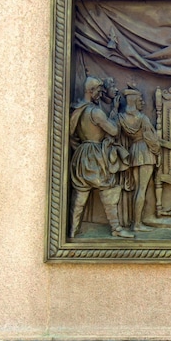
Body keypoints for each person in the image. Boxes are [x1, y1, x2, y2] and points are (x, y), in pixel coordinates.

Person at [68, 76, 132, 238]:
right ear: (90, 91)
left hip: (81, 154)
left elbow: (72, 134)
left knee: (80, 196)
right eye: (98, 91)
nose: (99, 94)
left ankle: (72, 230)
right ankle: (116, 228)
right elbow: (114, 131)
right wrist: (114, 111)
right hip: (96, 155)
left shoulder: (76, 110)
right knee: (107, 190)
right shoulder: (95, 112)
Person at [116, 86, 160, 232]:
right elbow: (151, 139)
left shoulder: (121, 118)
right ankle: (138, 224)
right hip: (145, 152)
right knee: (142, 189)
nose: (143, 102)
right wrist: (157, 152)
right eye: (140, 100)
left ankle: (137, 222)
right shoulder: (143, 119)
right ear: (134, 101)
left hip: (134, 151)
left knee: (138, 190)